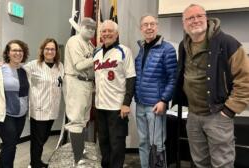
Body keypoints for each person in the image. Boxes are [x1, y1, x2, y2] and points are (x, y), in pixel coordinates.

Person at [172, 4, 249, 168]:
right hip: (193, 115)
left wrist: (228, 111)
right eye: (190, 18)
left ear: (206, 18)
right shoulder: (183, 45)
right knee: (199, 162)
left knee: (222, 163)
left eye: (199, 16)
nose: (195, 20)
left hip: (218, 115)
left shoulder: (227, 43)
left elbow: (245, 80)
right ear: (184, 23)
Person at [134, 14, 177, 168]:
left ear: (157, 27)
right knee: (144, 142)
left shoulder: (167, 49)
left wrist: (164, 100)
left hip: (155, 106)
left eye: (152, 24)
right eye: (146, 25)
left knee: (157, 145)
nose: (149, 27)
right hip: (139, 104)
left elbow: (173, 78)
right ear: (141, 28)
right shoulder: (141, 49)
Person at [93, 20, 136, 168]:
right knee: (103, 141)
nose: (106, 34)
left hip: (117, 107)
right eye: (103, 31)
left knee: (117, 143)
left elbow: (131, 78)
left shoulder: (124, 51)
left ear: (116, 34)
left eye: (110, 31)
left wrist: (126, 103)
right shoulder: (96, 53)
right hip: (100, 105)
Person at [24, 38, 64, 168]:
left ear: (56, 51)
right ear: (42, 50)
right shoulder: (33, 65)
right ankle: (35, 163)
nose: (50, 51)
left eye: (52, 49)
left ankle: (36, 161)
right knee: (38, 139)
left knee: (44, 137)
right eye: (47, 48)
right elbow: (17, 70)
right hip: (39, 109)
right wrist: (4, 65)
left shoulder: (60, 66)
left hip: (53, 109)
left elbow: (62, 83)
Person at [63, 17, 96, 167]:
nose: (90, 30)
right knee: (76, 119)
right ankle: (77, 158)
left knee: (83, 119)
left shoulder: (89, 43)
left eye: (93, 28)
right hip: (75, 81)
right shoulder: (74, 41)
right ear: (81, 27)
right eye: (87, 27)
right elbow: (80, 65)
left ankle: (80, 150)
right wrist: (98, 56)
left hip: (87, 84)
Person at [0, 40, 29, 168]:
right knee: (10, 144)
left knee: (12, 145)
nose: (17, 53)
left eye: (20, 50)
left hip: (21, 115)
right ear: (8, 53)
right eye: (14, 50)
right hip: (5, 114)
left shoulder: (25, 71)